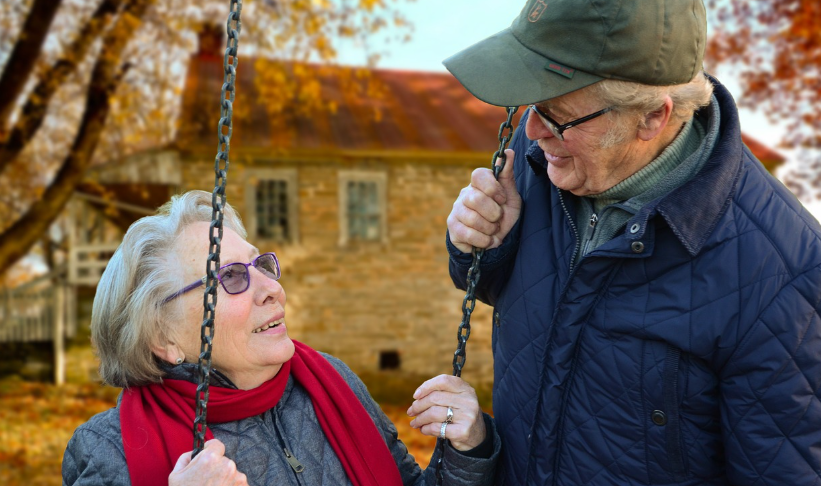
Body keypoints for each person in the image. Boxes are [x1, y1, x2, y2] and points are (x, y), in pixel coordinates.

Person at [444, 0, 821, 485]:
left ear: (651, 118)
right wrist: (482, 247)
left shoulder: (785, 277)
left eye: (557, 116)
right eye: (532, 106)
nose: (533, 132)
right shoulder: (544, 156)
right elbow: (509, 295)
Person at [63, 190, 499, 486]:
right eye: (231, 277)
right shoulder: (108, 449)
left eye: (261, 265)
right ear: (163, 338)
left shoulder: (331, 382)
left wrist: (466, 450)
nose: (272, 288)